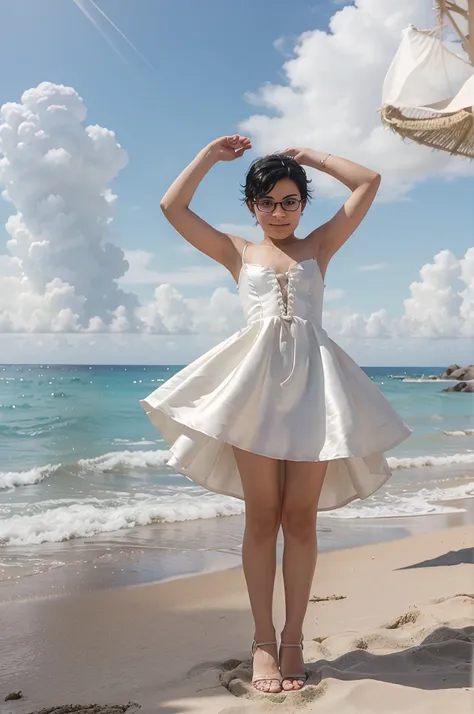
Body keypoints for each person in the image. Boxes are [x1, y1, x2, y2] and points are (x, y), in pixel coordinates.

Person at [140, 135, 411, 694]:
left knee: (302, 521)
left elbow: (369, 183)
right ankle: (263, 640)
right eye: (268, 202)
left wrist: (311, 158)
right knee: (263, 519)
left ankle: (294, 638)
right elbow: (172, 208)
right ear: (252, 207)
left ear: (302, 204)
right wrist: (209, 157)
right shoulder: (236, 252)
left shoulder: (320, 247)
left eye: (290, 201)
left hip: (315, 392)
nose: (279, 212)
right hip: (256, 394)